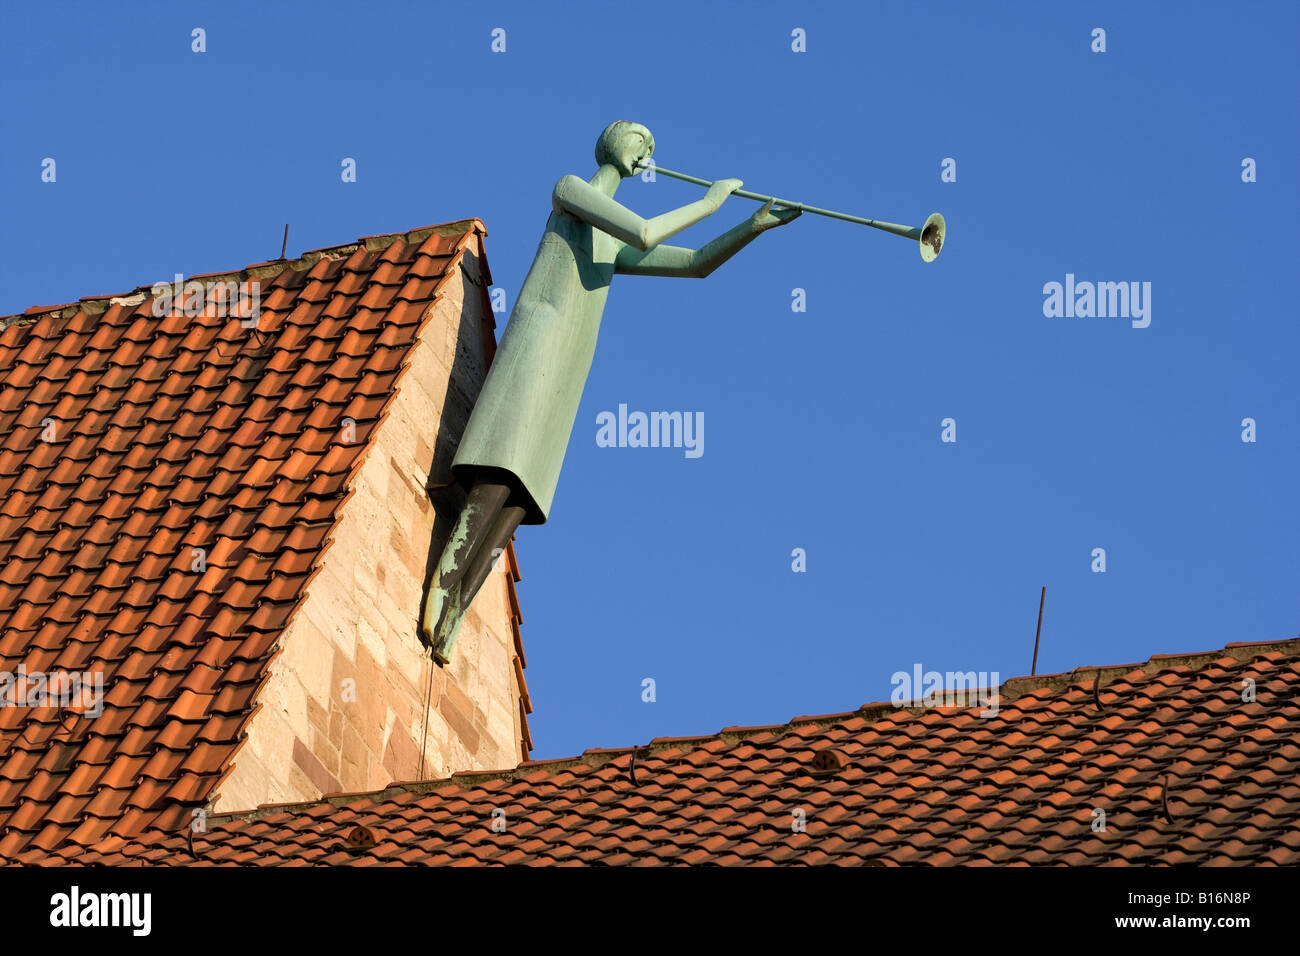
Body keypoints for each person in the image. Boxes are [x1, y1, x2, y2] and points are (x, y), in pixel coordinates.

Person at [423, 120, 801, 661]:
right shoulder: (571, 190)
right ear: (610, 144)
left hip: (564, 378)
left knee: (516, 506)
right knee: (496, 477)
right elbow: (645, 232)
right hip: (537, 350)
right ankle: (440, 595)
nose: (648, 150)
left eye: (651, 145)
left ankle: (456, 613)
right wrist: (710, 203)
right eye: (639, 138)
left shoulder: (610, 245)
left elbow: (696, 265)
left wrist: (754, 225)